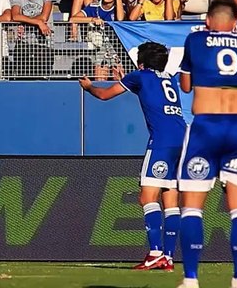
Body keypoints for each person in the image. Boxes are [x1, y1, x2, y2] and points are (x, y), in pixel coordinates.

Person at [177, 0, 237, 288]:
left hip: (205, 127)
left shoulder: (195, 40)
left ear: (208, 21)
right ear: (235, 23)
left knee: (192, 208)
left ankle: (191, 279)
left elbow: (186, 85)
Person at [79, 41, 185, 271]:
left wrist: (88, 87)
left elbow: (104, 95)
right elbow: (151, 91)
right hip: (182, 139)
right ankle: (167, 257)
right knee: (170, 199)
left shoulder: (139, 76)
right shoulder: (169, 78)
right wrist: (126, 79)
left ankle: (155, 253)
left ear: (141, 63)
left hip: (162, 142)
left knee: (147, 197)